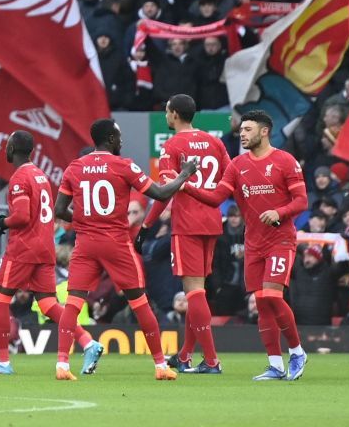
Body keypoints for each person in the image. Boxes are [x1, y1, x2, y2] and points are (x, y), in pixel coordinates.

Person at [52, 116, 197, 382]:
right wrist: (185, 174)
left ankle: (62, 364)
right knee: (140, 303)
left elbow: (59, 210)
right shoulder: (124, 165)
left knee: (72, 304)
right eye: (119, 136)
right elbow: (161, 194)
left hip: (85, 244)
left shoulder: (74, 167)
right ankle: (160, 365)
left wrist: (85, 220)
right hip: (116, 243)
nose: (122, 140)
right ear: (110, 139)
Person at [184, 109, 309, 380]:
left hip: (281, 239)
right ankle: (275, 365)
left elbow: (301, 201)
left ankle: (297, 352)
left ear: (264, 131)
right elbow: (218, 197)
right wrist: (186, 185)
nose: (242, 134)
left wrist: (280, 212)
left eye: (248, 129)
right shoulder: (237, 165)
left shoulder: (285, 161)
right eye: (241, 130)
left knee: (274, 297)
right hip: (253, 242)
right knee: (262, 303)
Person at [0, 129, 95, 376]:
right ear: (31, 151)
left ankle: (2, 362)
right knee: (48, 302)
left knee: (0, 298)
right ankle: (88, 342)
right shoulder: (40, 175)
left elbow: (21, 216)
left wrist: (2, 222)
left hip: (23, 248)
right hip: (45, 246)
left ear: (11, 149)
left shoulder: (20, 178)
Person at [139, 94, 230, 373]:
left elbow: (165, 193)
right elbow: (230, 177)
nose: (166, 116)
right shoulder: (215, 142)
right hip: (212, 220)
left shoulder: (172, 145)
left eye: (167, 111)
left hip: (188, 223)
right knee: (198, 291)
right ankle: (185, 355)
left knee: (193, 292)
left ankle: (212, 361)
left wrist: (146, 225)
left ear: (175, 114)